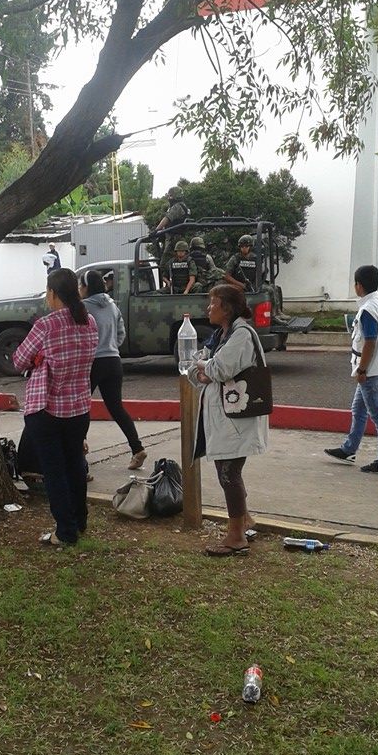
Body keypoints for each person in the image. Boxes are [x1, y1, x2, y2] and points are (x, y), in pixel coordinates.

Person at [13, 268, 98, 546]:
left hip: (46, 408)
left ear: (52, 293)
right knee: (76, 465)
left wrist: (40, 357)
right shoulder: (90, 322)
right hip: (78, 408)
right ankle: (80, 520)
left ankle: (65, 532)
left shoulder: (46, 325)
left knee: (54, 472)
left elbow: (19, 360)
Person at [188, 284, 268, 556]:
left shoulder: (241, 335)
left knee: (228, 473)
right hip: (227, 417)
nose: (209, 308)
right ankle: (244, 521)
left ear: (228, 308)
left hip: (236, 419)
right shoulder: (223, 334)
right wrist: (204, 369)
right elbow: (201, 363)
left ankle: (236, 537)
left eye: (214, 303)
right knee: (228, 471)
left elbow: (218, 368)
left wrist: (205, 368)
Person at [324, 265, 378, 473]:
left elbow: (369, 343)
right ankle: (349, 449)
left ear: (359, 285)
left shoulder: (368, 309)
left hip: (370, 372)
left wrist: (362, 370)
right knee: (359, 409)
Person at [78, 269, 147, 470]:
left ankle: (80, 458)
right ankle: (137, 448)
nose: (79, 290)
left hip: (92, 363)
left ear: (87, 287)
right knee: (116, 407)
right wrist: (111, 347)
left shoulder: (82, 308)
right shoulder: (112, 305)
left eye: (81, 286)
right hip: (113, 361)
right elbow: (121, 332)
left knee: (80, 409)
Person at [149, 186, 191, 270]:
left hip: (174, 240)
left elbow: (167, 218)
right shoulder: (183, 207)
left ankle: (167, 282)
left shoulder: (177, 207)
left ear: (176, 196)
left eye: (170, 196)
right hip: (176, 239)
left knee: (163, 266)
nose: (169, 198)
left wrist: (156, 230)